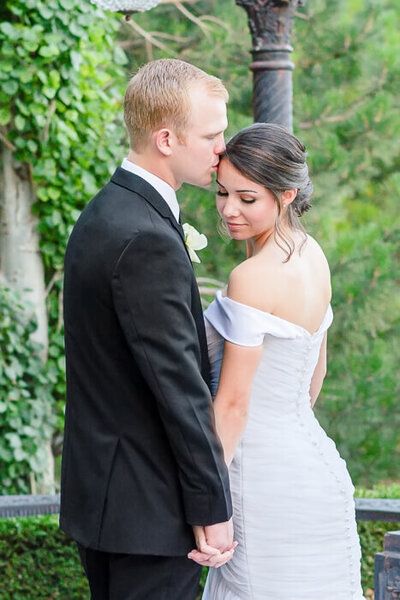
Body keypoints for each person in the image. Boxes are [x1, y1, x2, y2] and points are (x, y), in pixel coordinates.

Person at [60, 58, 236, 600]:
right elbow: (179, 389)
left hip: (109, 499)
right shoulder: (148, 239)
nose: (221, 148)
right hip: (150, 512)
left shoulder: (103, 213)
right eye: (211, 134)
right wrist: (213, 507)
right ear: (166, 138)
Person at [189, 123, 364, 599]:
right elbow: (314, 377)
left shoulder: (252, 276)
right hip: (316, 468)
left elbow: (231, 407)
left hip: (263, 486)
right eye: (223, 193)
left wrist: (211, 503)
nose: (228, 210)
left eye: (248, 199)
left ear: (287, 195)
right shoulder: (314, 254)